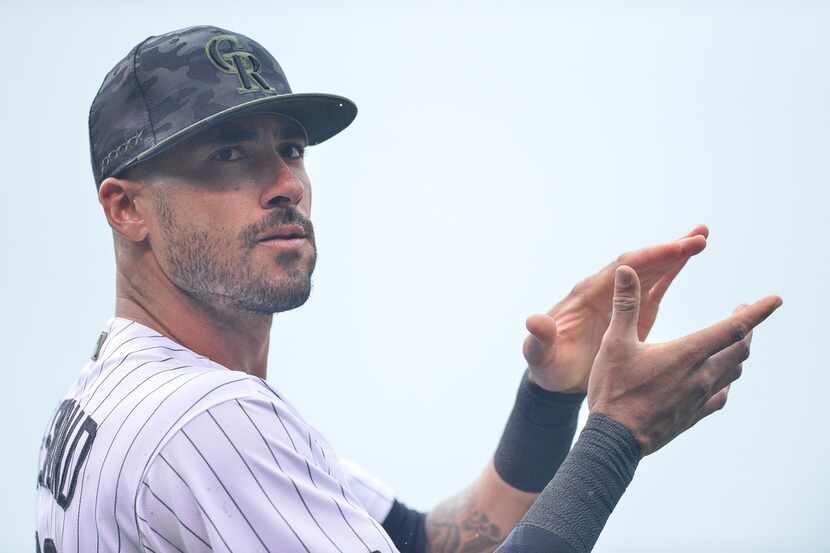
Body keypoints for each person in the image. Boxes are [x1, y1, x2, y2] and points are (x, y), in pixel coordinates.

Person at [34, 25, 782, 553]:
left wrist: (553, 396)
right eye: (228, 155)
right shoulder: (205, 421)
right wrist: (618, 433)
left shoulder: (117, 389)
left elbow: (431, 542)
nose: (285, 182)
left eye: (289, 148)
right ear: (126, 207)